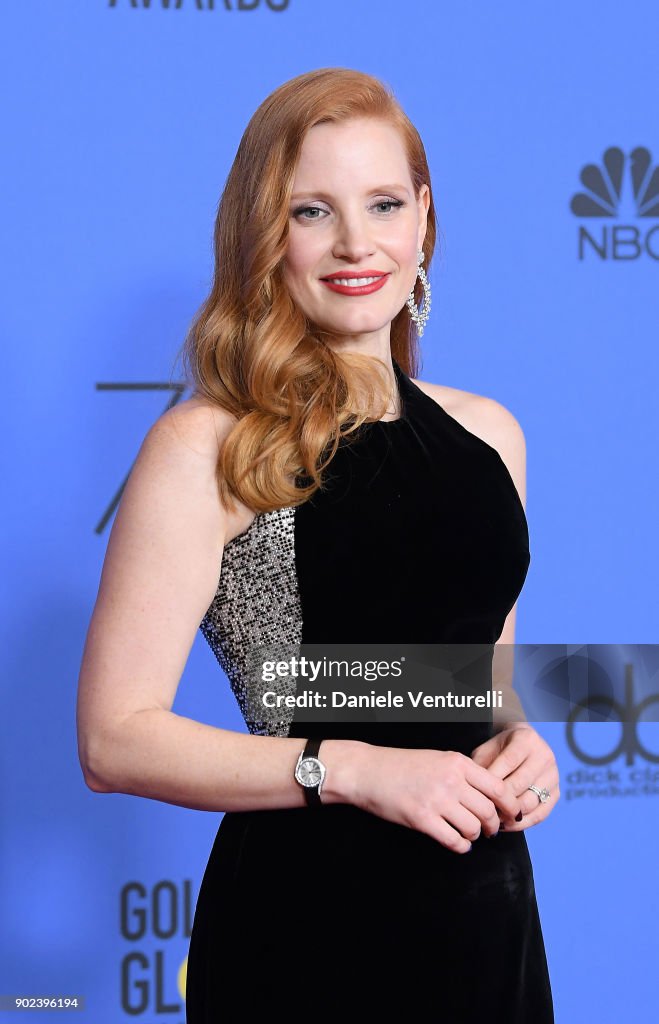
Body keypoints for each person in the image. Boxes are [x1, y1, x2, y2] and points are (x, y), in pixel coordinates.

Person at [76, 67, 558, 1022]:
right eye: (310, 211)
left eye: (382, 203)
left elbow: (472, 683)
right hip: (307, 925)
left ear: (422, 216)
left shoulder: (489, 437)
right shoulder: (209, 446)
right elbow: (111, 737)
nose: (354, 243)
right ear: (265, 236)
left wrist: (519, 741)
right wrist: (354, 767)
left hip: (487, 922)